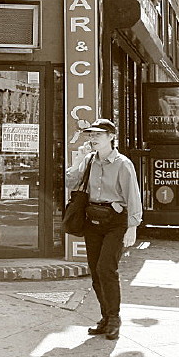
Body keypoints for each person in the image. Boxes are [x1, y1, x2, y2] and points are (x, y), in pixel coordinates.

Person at [66, 118, 142, 340]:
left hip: (115, 222)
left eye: (98, 134)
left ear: (111, 137)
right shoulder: (89, 160)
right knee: (95, 269)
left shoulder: (123, 164)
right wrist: (78, 160)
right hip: (93, 220)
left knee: (106, 268)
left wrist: (132, 227)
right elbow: (71, 183)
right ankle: (105, 317)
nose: (93, 138)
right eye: (91, 135)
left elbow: (133, 196)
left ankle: (114, 318)